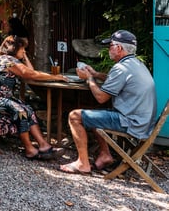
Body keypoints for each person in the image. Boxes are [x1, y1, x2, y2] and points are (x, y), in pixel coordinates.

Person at [59, 30, 157, 175]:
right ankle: (105, 155)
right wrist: (96, 74)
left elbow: (101, 97)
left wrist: (89, 78)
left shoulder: (121, 68)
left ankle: (82, 164)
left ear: (119, 48)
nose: (108, 49)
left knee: (75, 116)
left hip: (131, 123)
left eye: (110, 46)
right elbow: (116, 80)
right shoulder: (135, 64)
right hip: (142, 122)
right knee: (94, 115)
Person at [0, 35, 66, 160]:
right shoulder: (7, 61)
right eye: (22, 49)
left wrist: (24, 56)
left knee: (27, 108)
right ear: (14, 49)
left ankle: (44, 145)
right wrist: (55, 77)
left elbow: (29, 71)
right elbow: (30, 74)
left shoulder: (7, 59)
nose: (24, 52)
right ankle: (29, 149)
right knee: (20, 111)